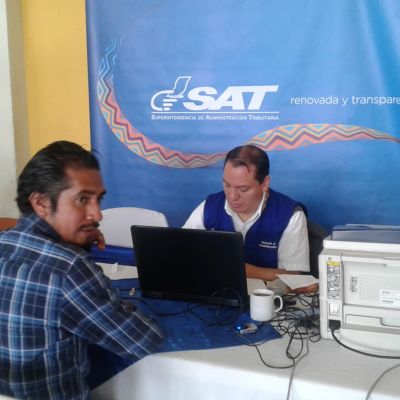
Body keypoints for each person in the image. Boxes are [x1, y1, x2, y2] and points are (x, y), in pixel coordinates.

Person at [0, 141, 163, 400]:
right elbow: (145, 341)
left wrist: (78, 246)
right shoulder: (69, 269)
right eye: (83, 199)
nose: (97, 214)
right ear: (41, 202)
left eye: (99, 199)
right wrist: (81, 257)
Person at [183, 144, 310, 282]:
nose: (232, 196)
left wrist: (234, 267)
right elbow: (181, 251)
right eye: (227, 185)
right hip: (215, 291)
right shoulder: (210, 206)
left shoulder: (290, 215)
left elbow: (293, 277)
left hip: (269, 294)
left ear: (265, 183)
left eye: (243, 189)